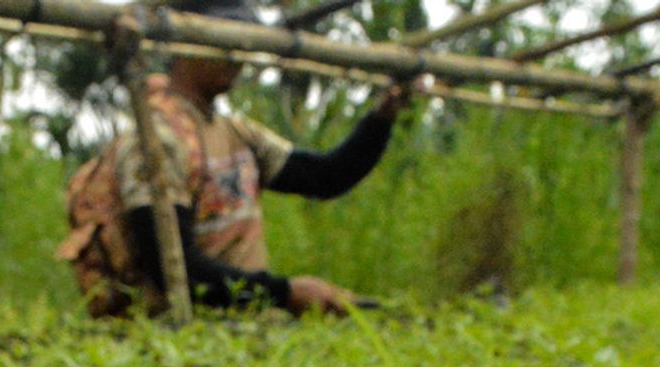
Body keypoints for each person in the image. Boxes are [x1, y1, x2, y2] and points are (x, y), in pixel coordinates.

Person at [56, 0, 417, 317]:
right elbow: (174, 268)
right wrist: (286, 294)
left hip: (243, 325)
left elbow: (324, 177)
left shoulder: (236, 134)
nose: (238, 56)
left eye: (243, 43)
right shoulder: (158, 138)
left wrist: (382, 117)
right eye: (225, 42)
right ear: (187, 42)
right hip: (188, 334)